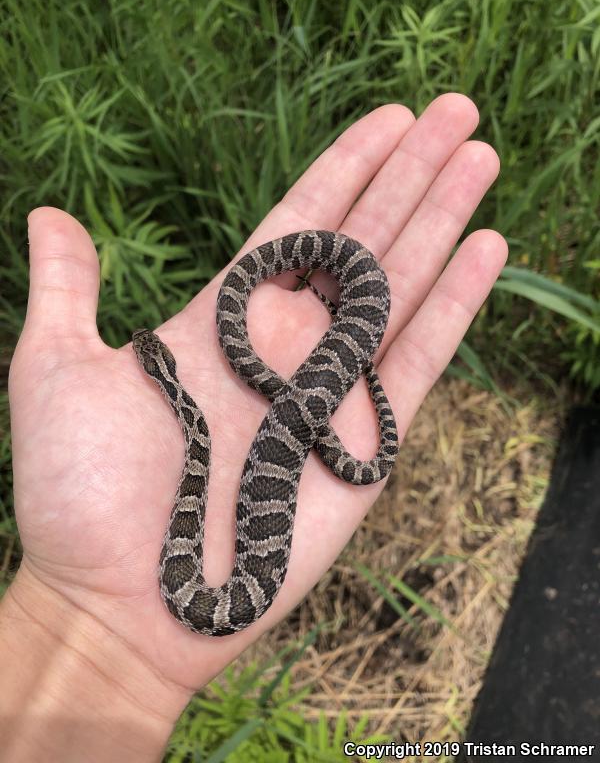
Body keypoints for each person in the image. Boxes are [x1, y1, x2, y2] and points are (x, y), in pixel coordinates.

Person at [0, 94, 507, 762]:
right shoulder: (191, 412)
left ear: (160, 373)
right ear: (166, 369)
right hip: (222, 566)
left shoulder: (211, 408)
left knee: (259, 426)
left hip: (287, 395)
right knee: (233, 434)